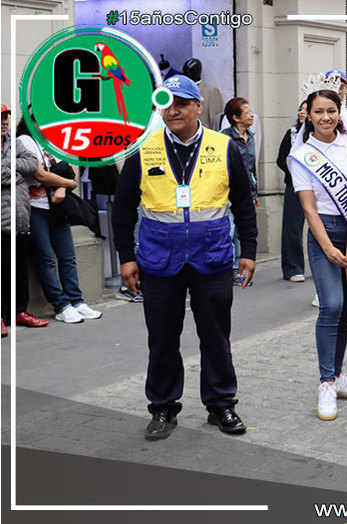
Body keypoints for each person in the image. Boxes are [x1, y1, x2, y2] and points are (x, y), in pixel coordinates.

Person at [112, 75, 257, 440]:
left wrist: (249, 252)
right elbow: (124, 208)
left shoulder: (224, 147)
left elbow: (243, 203)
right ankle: (162, 407)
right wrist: (126, 257)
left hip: (212, 258)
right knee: (161, 338)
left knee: (216, 336)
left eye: (181, 103)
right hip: (160, 260)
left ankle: (221, 404)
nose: (173, 111)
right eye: (166, 105)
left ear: (197, 107)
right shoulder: (143, 148)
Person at [286, 77, 347, 420]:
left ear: (339, 113)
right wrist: (328, 247)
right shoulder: (301, 155)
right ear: (308, 115)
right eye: (319, 111)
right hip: (325, 234)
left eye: (331, 110)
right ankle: (325, 384)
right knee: (331, 305)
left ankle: (338, 374)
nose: (326, 117)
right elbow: (308, 209)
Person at [16, 119, 102, 324]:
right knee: (45, 259)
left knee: (67, 257)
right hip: (35, 208)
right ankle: (61, 305)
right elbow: (40, 175)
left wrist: (64, 187)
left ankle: (77, 301)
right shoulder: (24, 141)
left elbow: (71, 169)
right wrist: (68, 183)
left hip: (58, 207)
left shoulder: (55, 140)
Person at [2, 104, 46, 336]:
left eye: (6, 118)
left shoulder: (13, 142)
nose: (4, 122)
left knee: (19, 268)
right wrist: (16, 171)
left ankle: (19, 311)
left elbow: (32, 164)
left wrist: (11, 168)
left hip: (19, 218)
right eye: (0, 118)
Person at [220, 97, 260, 286]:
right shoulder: (223, 137)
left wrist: (255, 191)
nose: (252, 115)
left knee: (240, 231)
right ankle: (224, 268)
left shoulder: (250, 137)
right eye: (247, 113)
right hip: (228, 192)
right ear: (235, 117)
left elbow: (252, 167)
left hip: (246, 192)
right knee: (229, 230)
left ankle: (238, 270)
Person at [277, 101, 310, 282]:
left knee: (323, 227)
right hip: (294, 186)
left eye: (306, 110)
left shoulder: (320, 135)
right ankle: (293, 268)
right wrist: (296, 172)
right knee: (292, 229)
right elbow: (281, 159)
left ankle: (323, 265)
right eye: (300, 109)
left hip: (319, 187)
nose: (302, 112)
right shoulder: (291, 134)